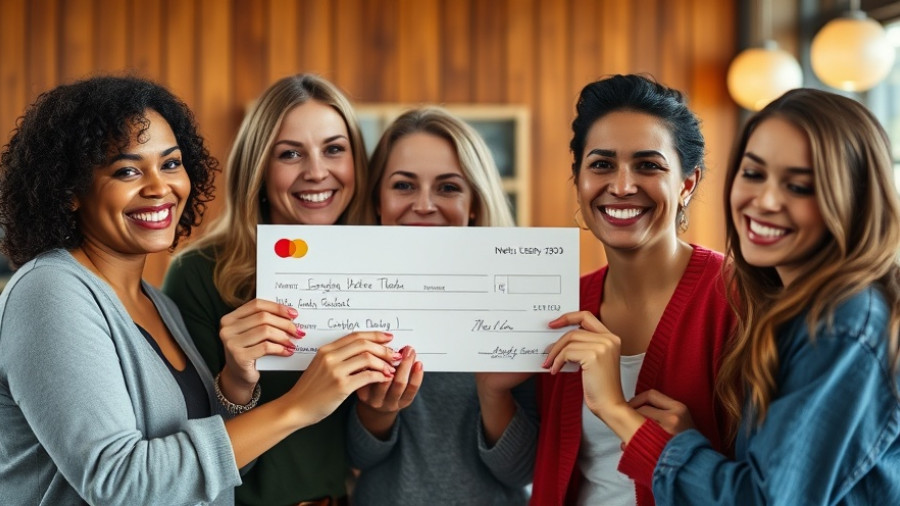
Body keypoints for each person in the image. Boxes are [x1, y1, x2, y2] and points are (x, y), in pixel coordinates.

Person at [0, 76, 397, 505]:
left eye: (170, 163)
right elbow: (119, 483)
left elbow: (217, 471)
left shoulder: (159, 306)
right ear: (70, 190)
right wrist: (298, 406)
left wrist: (237, 383)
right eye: (128, 170)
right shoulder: (49, 292)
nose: (159, 187)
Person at [545, 88, 900, 504]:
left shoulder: (836, 324)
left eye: (800, 186)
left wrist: (625, 417)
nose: (765, 201)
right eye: (753, 174)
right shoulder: (785, 304)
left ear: (688, 184)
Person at [162, 73, 376, 505]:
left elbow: (365, 453)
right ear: (258, 168)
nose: (317, 172)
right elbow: (189, 466)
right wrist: (235, 384)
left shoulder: (377, 266)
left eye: (334, 149)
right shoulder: (200, 274)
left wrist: (382, 410)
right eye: (290, 154)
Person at [530, 74, 736, 505]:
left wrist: (624, 416)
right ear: (579, 179)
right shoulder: (558, 306)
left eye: (649, 165)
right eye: (602, 164)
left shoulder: (739, 301)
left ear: (687, 184)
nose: (622, 186)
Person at [348, 107, 538, 505]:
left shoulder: (521, 301)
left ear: (474, 203)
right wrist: (380, 411)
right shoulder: (345, 297)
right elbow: (352, 457)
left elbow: (523, 472)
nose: (424, 205)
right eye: (403, 186)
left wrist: (493, 394)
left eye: (448, 187)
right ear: (378, 200)